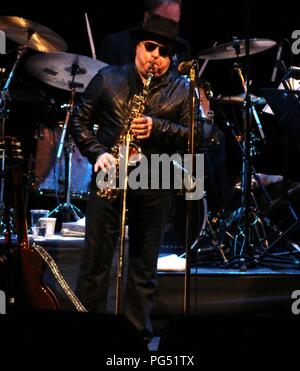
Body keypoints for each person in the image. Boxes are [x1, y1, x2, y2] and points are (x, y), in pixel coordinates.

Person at [70, 14, 193, 343]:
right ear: (137, 47)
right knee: (95, 264)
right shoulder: (109, 78)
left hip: (155, 180)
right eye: (150, 47)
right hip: (111, 174)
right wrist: (99, 153)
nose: (156, 56)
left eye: (164, 52)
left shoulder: (183, 90)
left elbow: (205, 135)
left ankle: (134, 338)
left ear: (171, 58)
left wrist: (159, 127)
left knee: (142, 269)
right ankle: (87, 334)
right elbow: (79, 121)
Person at [97, 0, 189, 67]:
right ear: (146, 18)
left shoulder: (182, 48)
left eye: (174, 24)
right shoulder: (116, 44)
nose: (169, 30)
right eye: (163, 23)